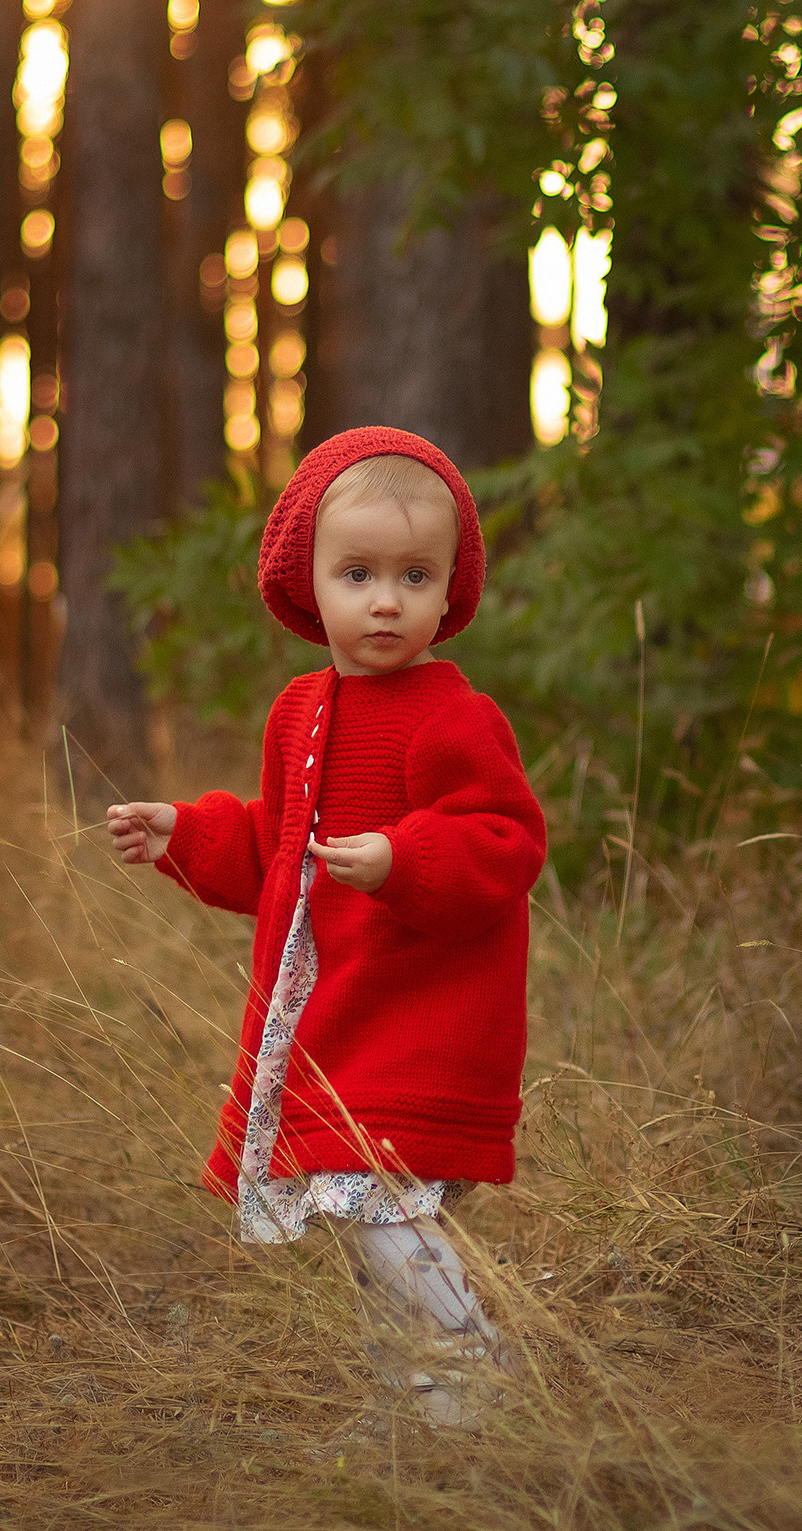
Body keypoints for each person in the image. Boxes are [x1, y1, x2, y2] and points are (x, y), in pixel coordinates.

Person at [104, 426, 545, 1431]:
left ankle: (475, 1382)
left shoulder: (452, 716)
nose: (386, 600)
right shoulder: (299, 711)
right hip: (337, 1022)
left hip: (423, 1021)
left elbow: (506, 838)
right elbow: (276, 848)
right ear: (307, 581)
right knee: (364, 1216)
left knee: (378, 1204)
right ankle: (412, 1400)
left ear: (450, 589)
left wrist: (403, 857)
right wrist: (186, 834)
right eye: (358, 574)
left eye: (414, 576)